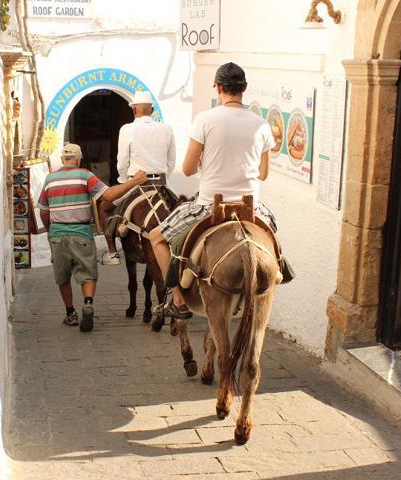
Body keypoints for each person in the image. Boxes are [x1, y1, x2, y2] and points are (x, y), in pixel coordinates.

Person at [149, 62, 278, 320]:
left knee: (156, 238)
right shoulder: (262, 125)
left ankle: (178, 300)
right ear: (244, 89)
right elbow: (263, 174)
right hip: (251, 207)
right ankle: (280, 269)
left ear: (218, 88)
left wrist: (205, 162)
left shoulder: (205, 120)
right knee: (273, 237)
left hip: (209, 205)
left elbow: (186, 169)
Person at [38, 143, 148, 332]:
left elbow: (43, 212)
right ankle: (88, 303)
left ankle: (70, 313)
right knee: (88, 273)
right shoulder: (85, 175)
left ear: (63, 160)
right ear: (79, 159)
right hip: (81, 232)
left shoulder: (50, 179)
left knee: (62, 276)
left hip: (58, 234)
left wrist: (50, 230)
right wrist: (134, 181)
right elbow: (109, 195)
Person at [99, 90, 177, 265]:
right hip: (161, 184)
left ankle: (112, 253)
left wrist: (124, 181)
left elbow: (122, 162)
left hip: (136, 184)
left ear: (134, 110)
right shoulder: (166, 128)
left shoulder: (127, 129)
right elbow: (171, 162)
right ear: (152, 110)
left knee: (104, 207)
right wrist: (161, 178)